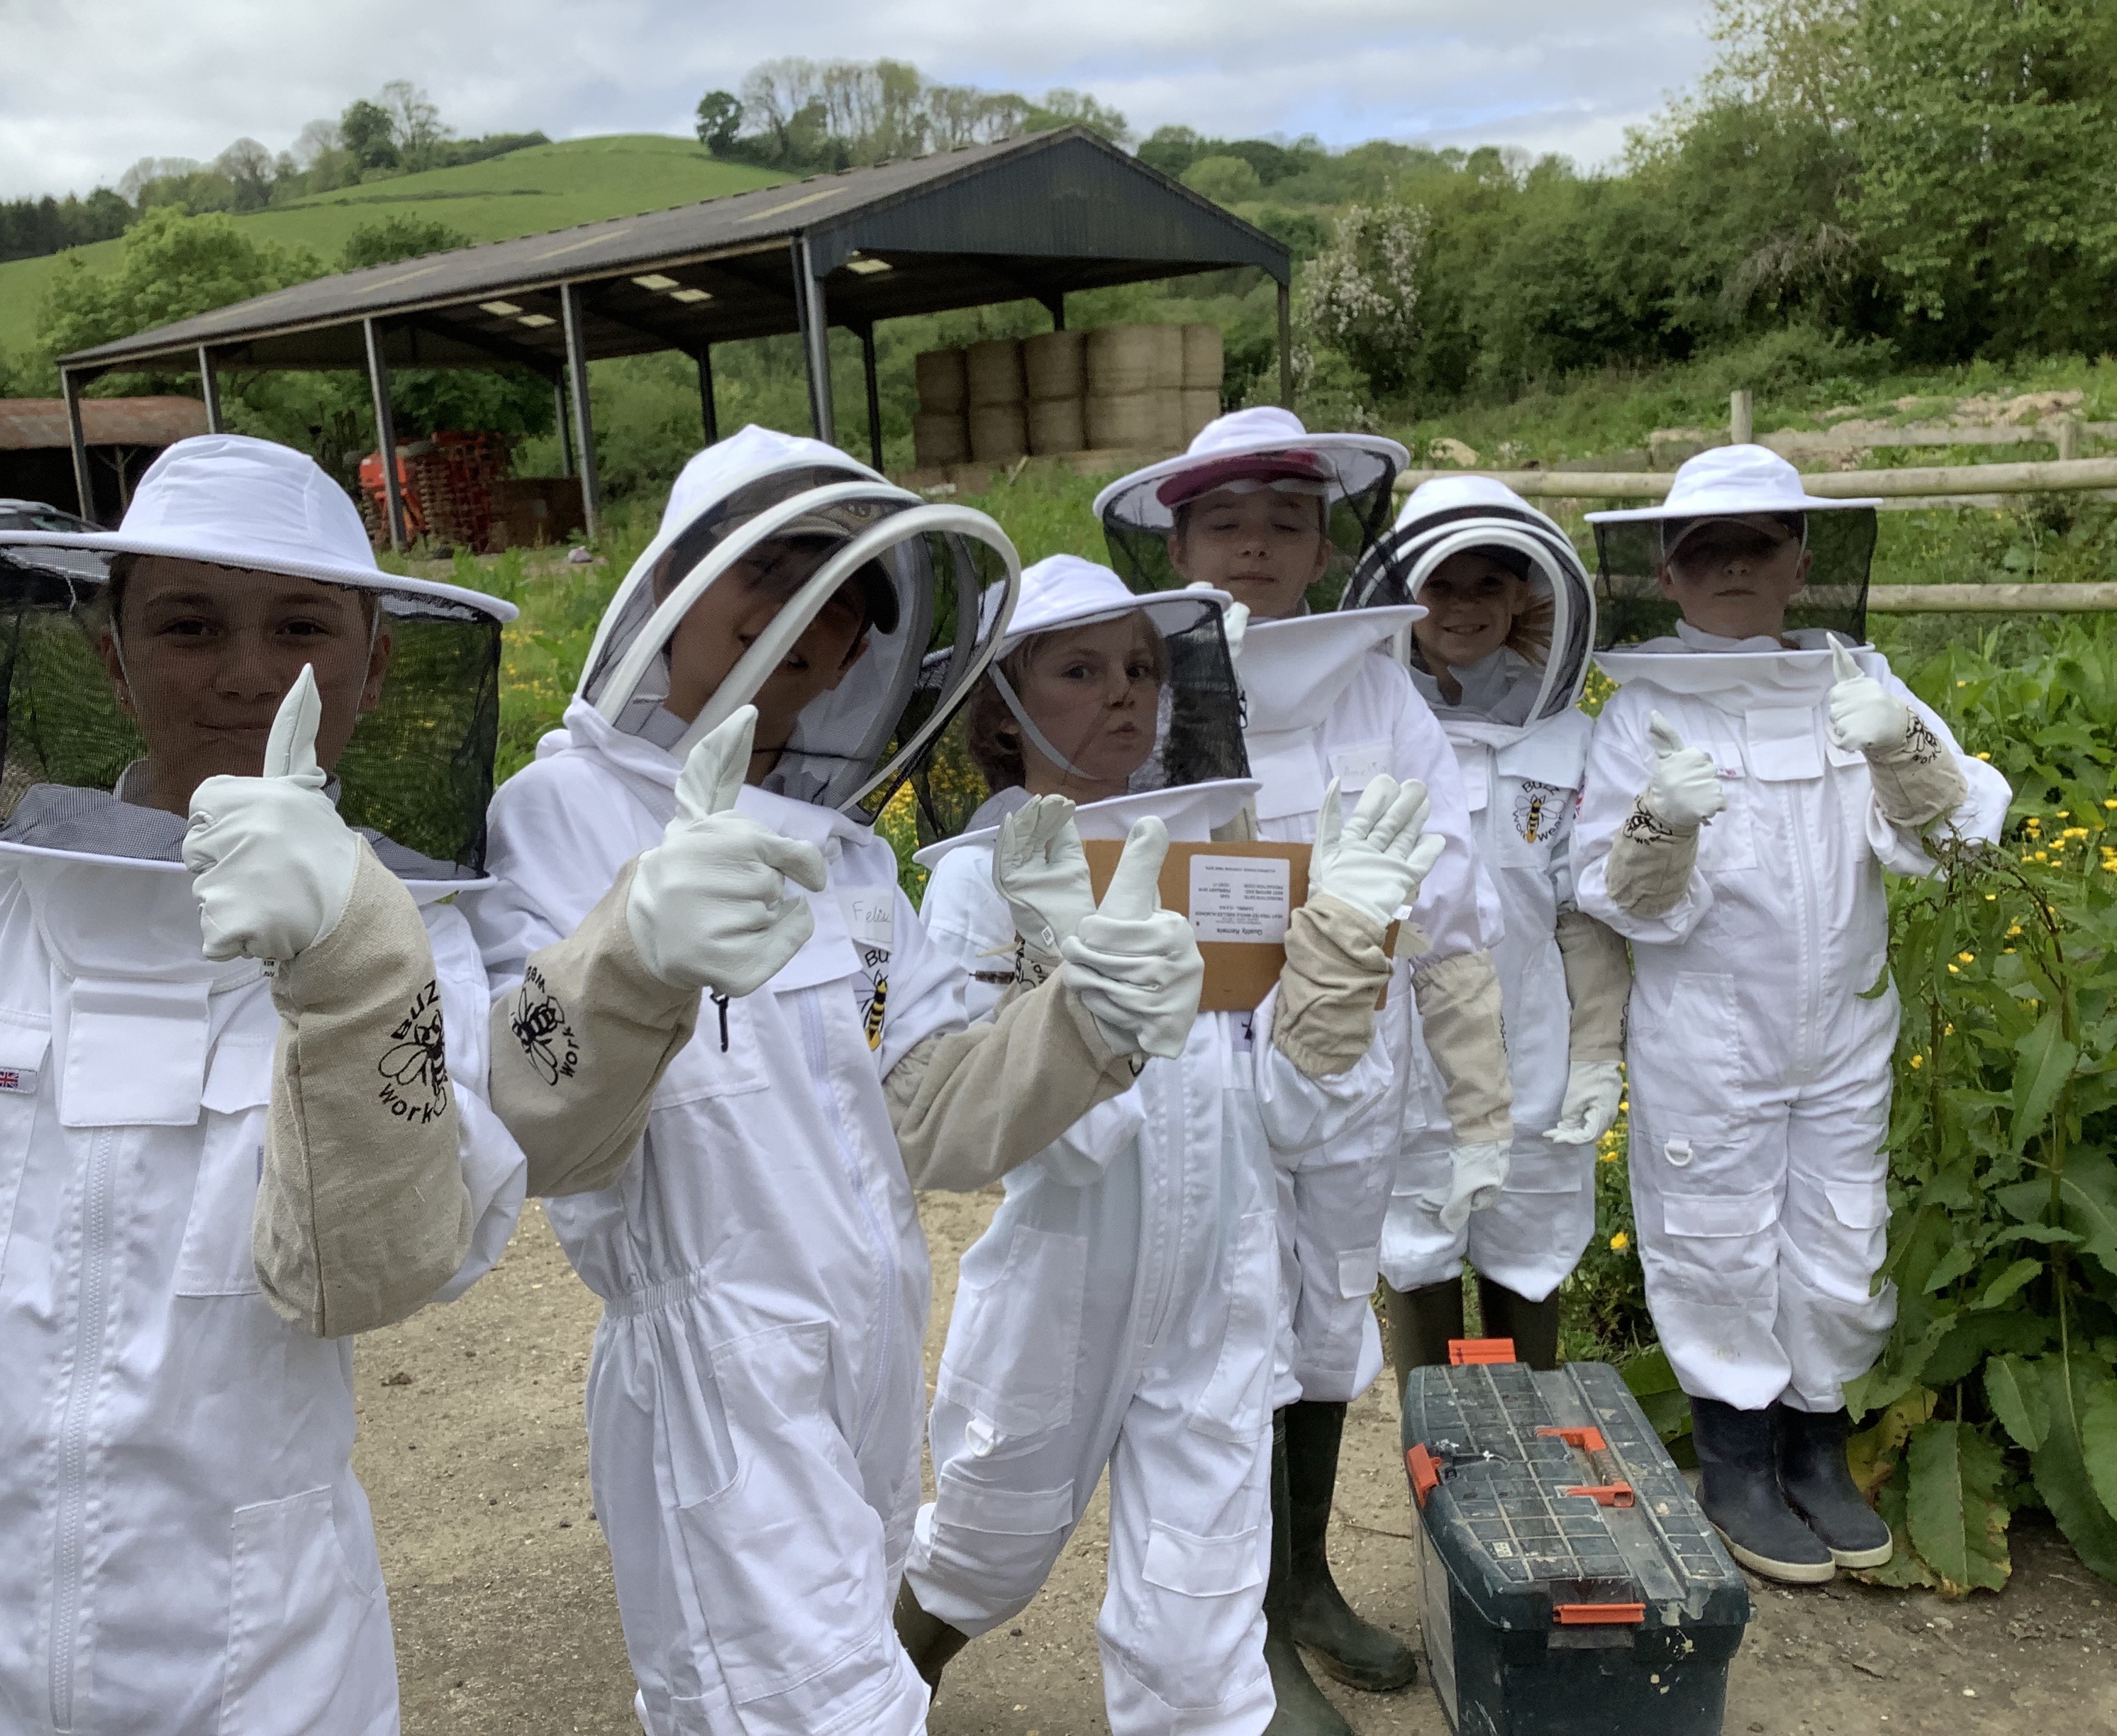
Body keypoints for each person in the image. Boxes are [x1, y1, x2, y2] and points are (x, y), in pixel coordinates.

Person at [468, 427, 1207, 1736]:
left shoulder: (844, 857)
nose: (811, 610)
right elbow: (536, 1125)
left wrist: (1083, 1020)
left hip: (867, 1347)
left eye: (844, 584)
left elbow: (925, 1108)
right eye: (774, 564)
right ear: (668, 588)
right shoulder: (558, 811)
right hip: (713, 1368)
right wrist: (632, 957)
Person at [0, 434, 533, 1734]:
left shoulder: (427, 963)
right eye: (188, 624)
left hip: (266, 1666)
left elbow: (370, 1271)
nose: (249, 674)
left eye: (299, 624)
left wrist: (351, 964)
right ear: (111, 656)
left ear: (377, 663)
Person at [892, 556, 1447, 1736]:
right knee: (990, 1534)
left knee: (1198, 1596)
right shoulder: (973, 887)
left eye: (1140, 666)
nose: (1121, 693)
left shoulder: (1222, 863)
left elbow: (1288, 1112)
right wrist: (1068, 984)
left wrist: (1342, 951)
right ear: (999, 704)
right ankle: (889, 1679)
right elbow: (1018, 1136)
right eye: (1078, 668)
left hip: (1224, 1265)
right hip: (1063, 1276)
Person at [1099, 408, 1512, 1736]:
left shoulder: (1368, 679)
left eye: (1283, 524)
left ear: (1322, 544)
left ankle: (1303, 1582)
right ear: (1177, 540)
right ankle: (1232, 1634)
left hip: (1350, 1055)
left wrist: (1371, 908)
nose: (1254, 549)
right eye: (1224, 525)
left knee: (1324, 1310)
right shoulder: (1141, 675)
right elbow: (1117, 856)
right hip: (1201, 1068)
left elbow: (1446, 855)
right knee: (1218, 1329)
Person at [1573, 445, 2011, 1584]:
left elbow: (1959, 837)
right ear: (1664, 576)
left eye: (1755, 546)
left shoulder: (1858, 681)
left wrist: (1903, 751)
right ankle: (1735, 1466)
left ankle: (1816, 1448)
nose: (1730, 569)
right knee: (1714, 1239)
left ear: (1800, 562)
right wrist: (1662, 825)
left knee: (1843, 1238)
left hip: (1845, 1029)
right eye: (1702, 550)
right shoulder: (1643, 714)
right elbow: (1619, 898)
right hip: (1711, 1036)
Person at [1348, 477, 1631, 1375]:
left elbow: (1583, 915)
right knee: (1409, 1242)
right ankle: (1440, 1483)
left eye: (1487, 585)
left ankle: (1531, 1482)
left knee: (1532, 1246)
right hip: (1400, 1050)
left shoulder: (1565, 740)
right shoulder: (1365, 729)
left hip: (1532, 1050)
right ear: (1403, 598)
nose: (1462, 608)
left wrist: (1595, 1051)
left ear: (1524, 597)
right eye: (1441, 584)